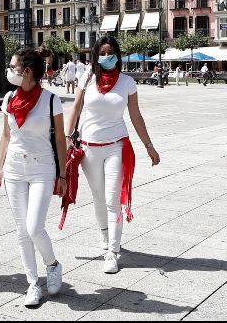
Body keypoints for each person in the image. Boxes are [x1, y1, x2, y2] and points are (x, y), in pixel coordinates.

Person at [65, 36, 161, 274]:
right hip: (88, 147)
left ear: (118, 55)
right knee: (98, 197)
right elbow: (75, 108)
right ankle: (105, 235)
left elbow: (136, 116)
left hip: (116, 145)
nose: (107, 56)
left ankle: (112, 252)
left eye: (111, 52)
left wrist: (149, 145)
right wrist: (67, 138)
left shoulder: (127, 83)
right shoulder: (87, 78)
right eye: (103, 52)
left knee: (112, 198)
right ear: (96, 56)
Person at [0, 46, 67, 307]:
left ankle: (53, 264)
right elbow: (6, 136)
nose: (9, 71)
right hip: (14, 168)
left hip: (42, 167)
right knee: (21, 231)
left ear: (26, 71)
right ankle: (33, 283)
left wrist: (63, 174)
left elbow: (60, 139)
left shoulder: (50, 100)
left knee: (34, 226)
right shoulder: (8, 99)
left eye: (13, 67)